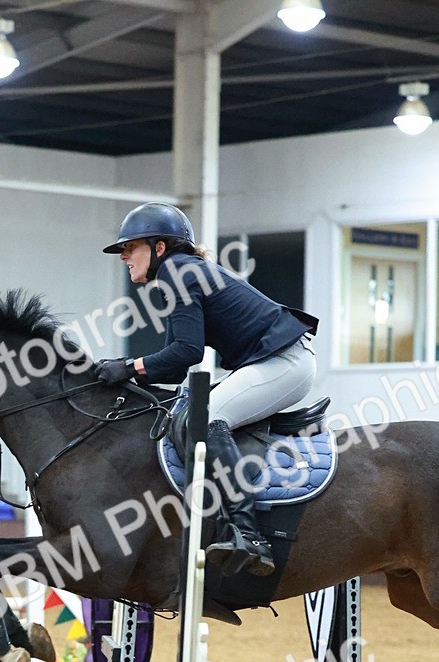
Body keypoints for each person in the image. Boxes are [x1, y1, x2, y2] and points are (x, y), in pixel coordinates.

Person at [97, 203, 319, 578]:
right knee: (189, 408)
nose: (123, 256)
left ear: (160, 247)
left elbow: (185, 352)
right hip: (277, 361)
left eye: (130, 247)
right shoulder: (181, 272)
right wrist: (130, 368)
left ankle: (248, 535)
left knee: (207, 418)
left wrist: (128, 367)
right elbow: (179, 362)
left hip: (285, 363)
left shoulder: (178, 273)